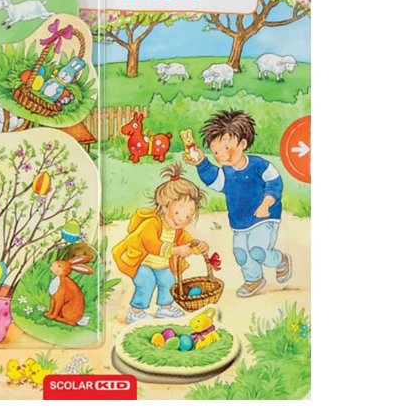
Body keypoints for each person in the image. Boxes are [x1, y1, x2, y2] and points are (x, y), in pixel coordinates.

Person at [185, 110, 292, 297]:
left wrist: (266, 203)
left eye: (227, 148)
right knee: (241, 253)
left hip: (265, 217)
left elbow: (275, 182)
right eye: (216, 152)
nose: (222, 156)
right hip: (240, 222)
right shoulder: (226, 173)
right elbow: (213, 178)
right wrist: (201, 162)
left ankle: (280, 260)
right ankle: (254, 279)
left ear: (242, 144)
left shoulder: (259, 165)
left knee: (258, 251)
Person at [112, 163, 208, 323]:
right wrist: (175, 250)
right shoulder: (152, 223)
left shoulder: (177, 230)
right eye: (178, 212)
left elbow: (187, 241)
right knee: (146, 283)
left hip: (162, 265)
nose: (181, 219)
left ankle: (165, 308)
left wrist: (198, 246)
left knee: (169, 282)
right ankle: (136, 312)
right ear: (164, 207)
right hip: (142, 263)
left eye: (187, 216)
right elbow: (151, 244)